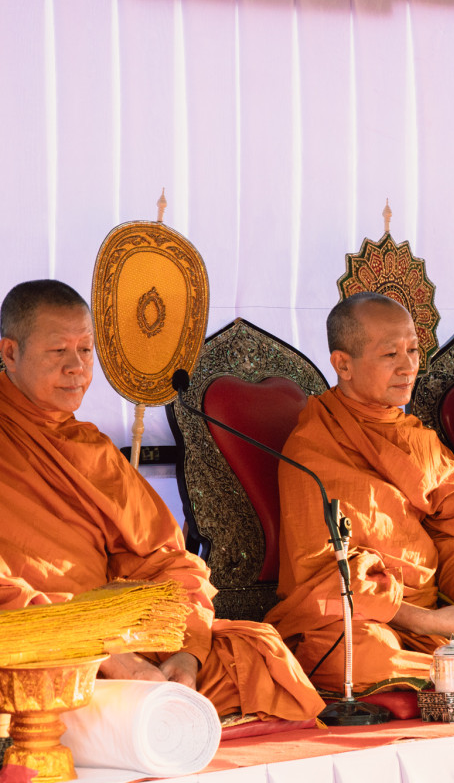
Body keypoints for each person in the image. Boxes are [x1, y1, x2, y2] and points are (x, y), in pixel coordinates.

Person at [0, 280, 323, 720]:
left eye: (86, 350)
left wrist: (186, 652)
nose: (76, 367)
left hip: (115, 636)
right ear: (10, 353)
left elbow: (168, 560)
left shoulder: (91, 450)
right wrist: (104, 654)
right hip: (39, 641)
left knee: (256, 655)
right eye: (58, 351)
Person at [266, 293, 454, 692]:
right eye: (390, 354)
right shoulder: (312, 448)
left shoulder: (421, 441)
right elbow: (326, 576)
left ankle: (449, 670)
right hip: (362, 618)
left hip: (441, 612)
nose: (408, 366)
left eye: (413, 350)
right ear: (343, 364)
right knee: (359, 656)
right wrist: (424, 621)